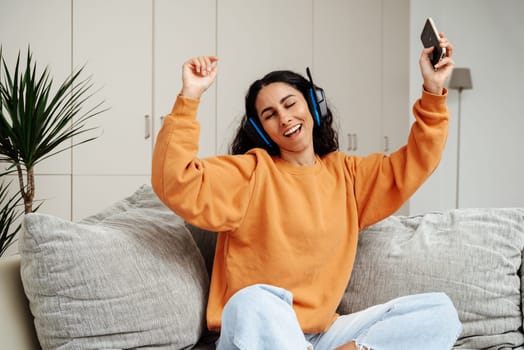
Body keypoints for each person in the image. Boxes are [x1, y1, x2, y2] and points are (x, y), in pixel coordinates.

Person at [152, 33, 462, 350]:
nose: (285, 118)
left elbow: (416, 160)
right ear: (261, 130)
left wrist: (433, 90)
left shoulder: (350, 176)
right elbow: (174, 180)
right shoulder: (249, 173)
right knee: (250, 300)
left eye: (290, 104)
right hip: (259, 332)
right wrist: (189, 96)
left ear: (314, 105)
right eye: (269, 115)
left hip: (324, 336)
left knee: (439, 313)